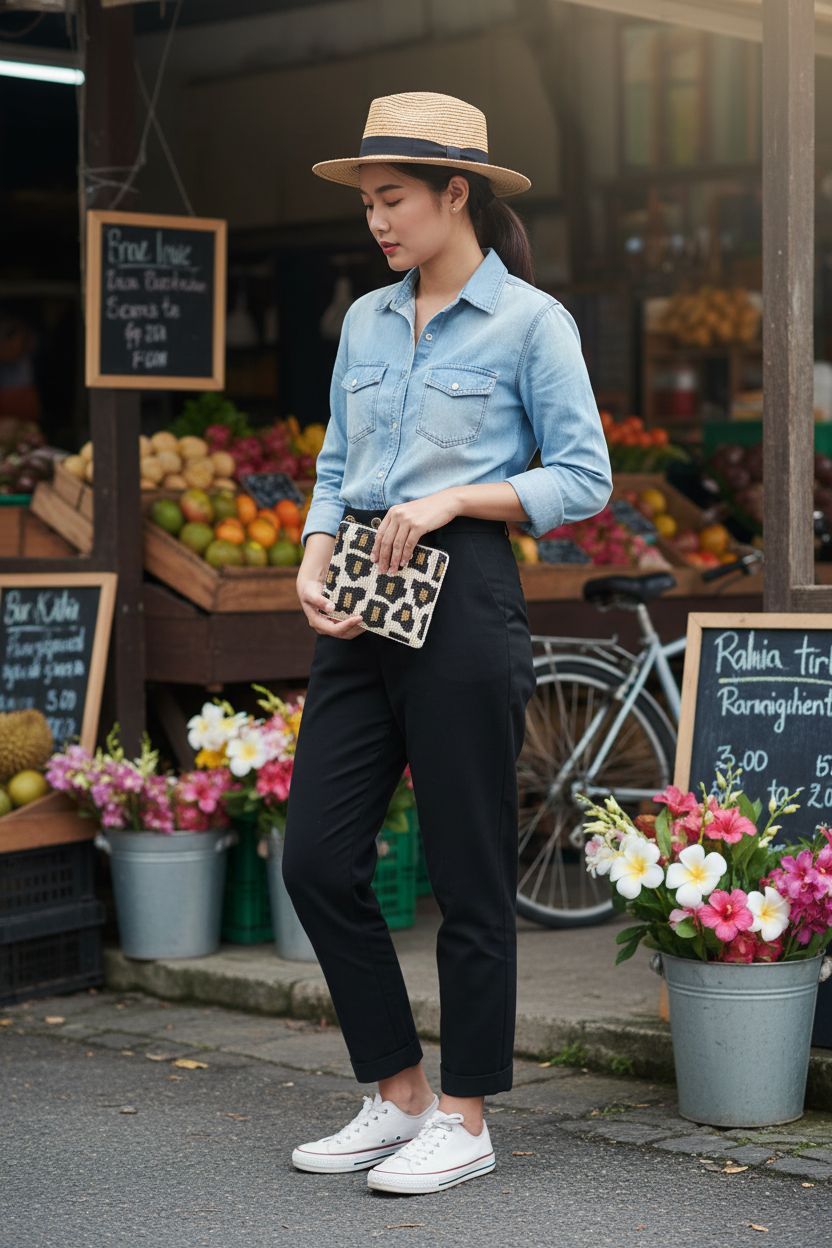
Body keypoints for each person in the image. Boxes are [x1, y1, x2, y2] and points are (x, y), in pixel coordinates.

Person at [282, 91, 612, 1196]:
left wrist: (460, 500)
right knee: (318, 858)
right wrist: (314, 549)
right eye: (368, 202)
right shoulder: (366, 322)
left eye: (394, 199)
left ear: (453, 193)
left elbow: (581, 478)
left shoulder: (531, 323)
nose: (376, 221)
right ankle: (398, 1093)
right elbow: (336, 462)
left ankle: (465, 1116)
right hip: (363, 594)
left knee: (472, 873)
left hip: (465, 595)